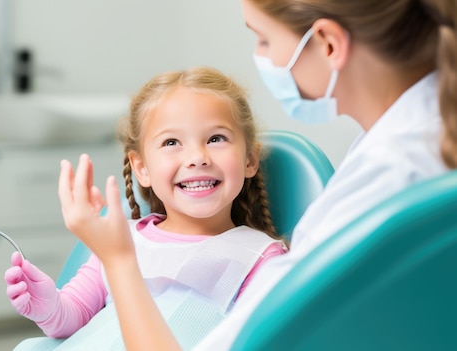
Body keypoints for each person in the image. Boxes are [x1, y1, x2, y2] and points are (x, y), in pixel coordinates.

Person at [57, 0, 457, 350]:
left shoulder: (386, 178)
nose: (260, 55)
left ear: (328, 44)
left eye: (263, 39)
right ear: (140, 166)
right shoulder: (412, 143)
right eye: (171, 143)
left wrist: (119, 260)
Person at [5, 66, 288, 350]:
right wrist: (48, 306)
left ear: (249, 159)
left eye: (216, 139)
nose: (197, 157)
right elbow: (73, 317)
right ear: (142, 168)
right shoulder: (121, 241)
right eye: (171, 142)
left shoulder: (260, 260)